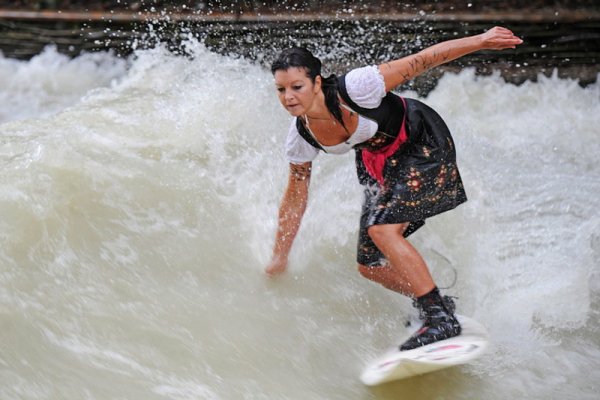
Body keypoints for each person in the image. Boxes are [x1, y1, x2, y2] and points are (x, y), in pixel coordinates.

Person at [266, 27, 522, 350]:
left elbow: (424, 60)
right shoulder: (301, 137)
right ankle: (436, 303)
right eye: (281, 89)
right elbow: (295, 196)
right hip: (381, 164)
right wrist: (280, 254)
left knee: (383, 231)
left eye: (296, 87)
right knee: (369, 264)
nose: (288, 97)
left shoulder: (357, 87)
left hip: (419, 141)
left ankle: (439, 320)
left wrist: (481, 41)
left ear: (317, 83)